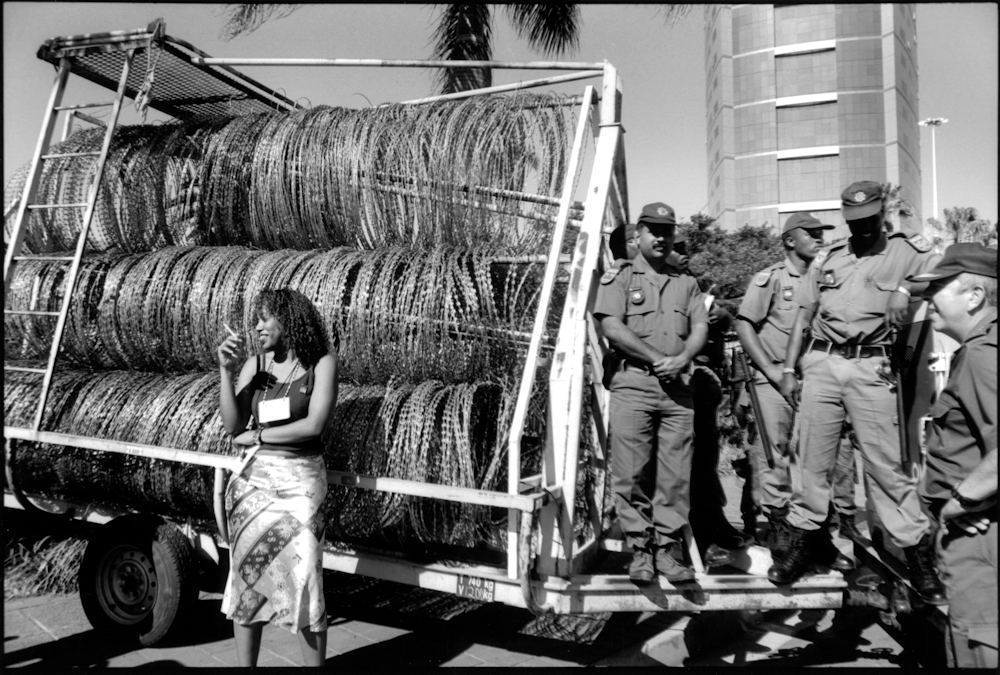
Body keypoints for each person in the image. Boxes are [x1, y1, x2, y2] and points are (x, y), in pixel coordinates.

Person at [773, 182, 945, 604]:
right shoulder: (829, 257)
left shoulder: (908, 250)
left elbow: (945, 273)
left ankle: (918, 558)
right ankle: (804, 547)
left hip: (873, 366)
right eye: (854, 223)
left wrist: (906, 289)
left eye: (869, 220)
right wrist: (788, 367)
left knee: (886, 465)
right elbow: (803, 315)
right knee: (810, 460)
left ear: (882, 213)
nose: (862, 229)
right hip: (822, 363)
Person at [217, 288, 339, 667]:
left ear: (288, 320)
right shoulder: (256, 365)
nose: (256, 327)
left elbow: (314, 425)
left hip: (302, 479)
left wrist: (259, 435)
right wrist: (226, 371)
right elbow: (232, 424)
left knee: (305, 578)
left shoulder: (321, 364)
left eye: (264, 318)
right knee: (248, 579)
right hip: (254, 481)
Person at [594, 202, 708, 583]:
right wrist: (659, 358)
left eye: (668, 231)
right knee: (631, 471)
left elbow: (699, 328)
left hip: (678, 390)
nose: (661, 237)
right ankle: (640, 551)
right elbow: (611, 326)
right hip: (635, 384)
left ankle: (667, 550)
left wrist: (683, 359)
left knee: (675, 475)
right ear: (638, 234)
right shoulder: (621, 278)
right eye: (653, 230)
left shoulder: (686, 282)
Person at [734, 212, 853, 573]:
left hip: (815, 381)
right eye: (812, 233)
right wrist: (770, 371)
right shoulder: (771, 278)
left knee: (816, 463)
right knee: (776, 460)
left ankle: (815, 539)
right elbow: (744, 323)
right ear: (789, 240)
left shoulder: (827, 278)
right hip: (773, 383)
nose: (820, 238)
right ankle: (782, 538)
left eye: (822, 233)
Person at [910, 243, 997, 668]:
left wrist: (963, 500)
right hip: (976, 527)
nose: (928, 299)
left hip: (979, 539)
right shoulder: (979, 348)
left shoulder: (984, 355)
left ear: (975, 296)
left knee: (978, 651)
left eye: (939, 288)